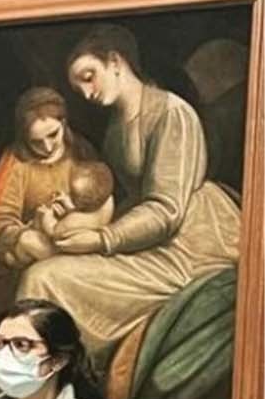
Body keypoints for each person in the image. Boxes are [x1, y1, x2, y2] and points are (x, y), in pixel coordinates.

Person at [17, 24, 244, 362]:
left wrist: (100, 238)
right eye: (78, 88)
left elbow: (167, 209)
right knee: (45, 272)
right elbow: (131, 200)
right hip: (146, 237)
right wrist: (82, 222)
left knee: (44, 279)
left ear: (115, 61)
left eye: (89, 76)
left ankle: (49, 384)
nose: (86, 92)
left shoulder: (172, 113)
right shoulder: (115, 129)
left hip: (190, 247)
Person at [0, 87, 100, 397]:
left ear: (64, 123)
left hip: (77, 244)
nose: (46, 147)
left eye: (53, 135)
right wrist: (25, 235)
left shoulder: (82, 152)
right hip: (22, 257)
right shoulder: (16, 163)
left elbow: (100, 202)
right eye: (37, 141)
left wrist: (75, 217)